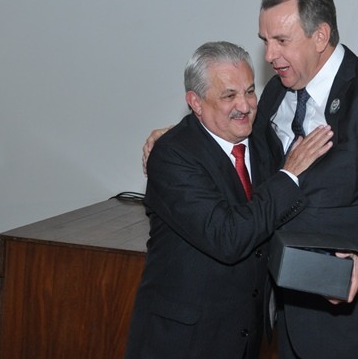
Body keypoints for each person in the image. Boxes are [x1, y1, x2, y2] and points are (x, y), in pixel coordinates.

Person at [143, 0, 358, 359]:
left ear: (320, 36)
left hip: (354, 325)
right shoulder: (276, 92)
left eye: (281, 41)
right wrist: (176, 135)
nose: (269, 55)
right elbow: (232, 124)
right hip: (283, 317)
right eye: (265, 41)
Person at [124, 41, 333, 359]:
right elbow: (228, 237)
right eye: (229, 96)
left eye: (249, 91)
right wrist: (288, 175)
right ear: (195, 102)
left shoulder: (260, 137)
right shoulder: (171, 156)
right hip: (182, 342)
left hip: (244, 339)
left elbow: (276, 218)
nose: (245, 106)